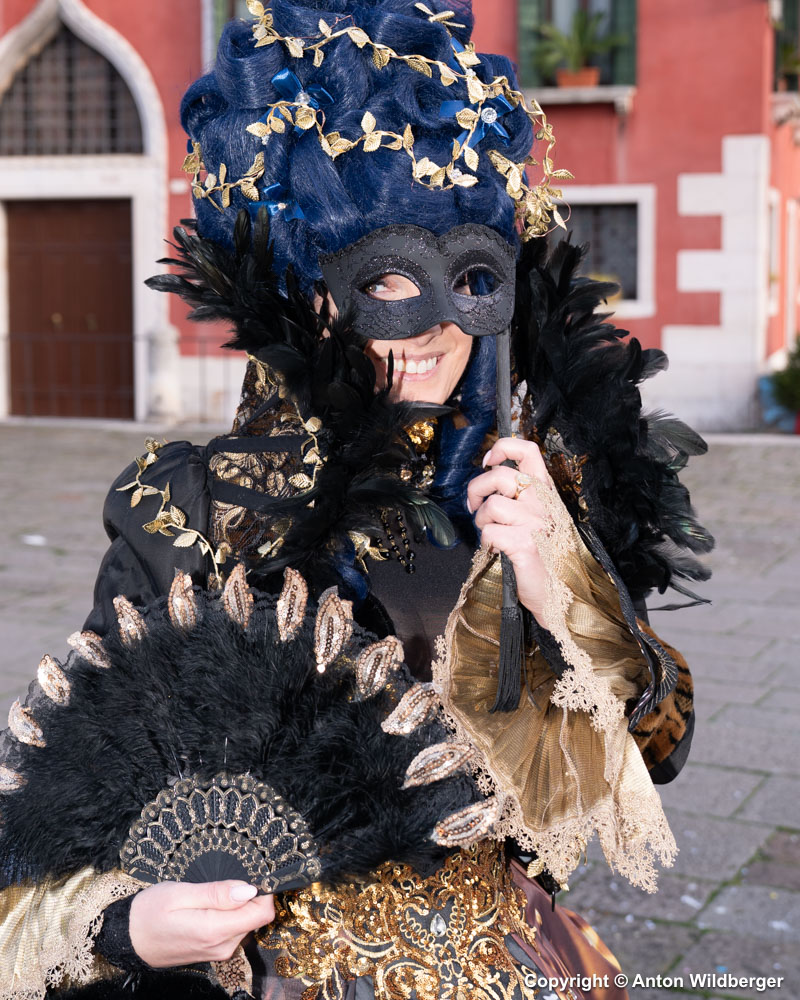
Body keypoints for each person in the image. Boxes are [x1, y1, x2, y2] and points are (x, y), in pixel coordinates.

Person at [0, 2, 712, 998]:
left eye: (467, 274)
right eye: (384, 276)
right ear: (306, 288)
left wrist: (569, 595)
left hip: (511, 961)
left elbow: (660, 747)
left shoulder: (525, 484)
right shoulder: (198, 508)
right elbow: (54, 820)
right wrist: (129, 926)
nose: (431, 325)